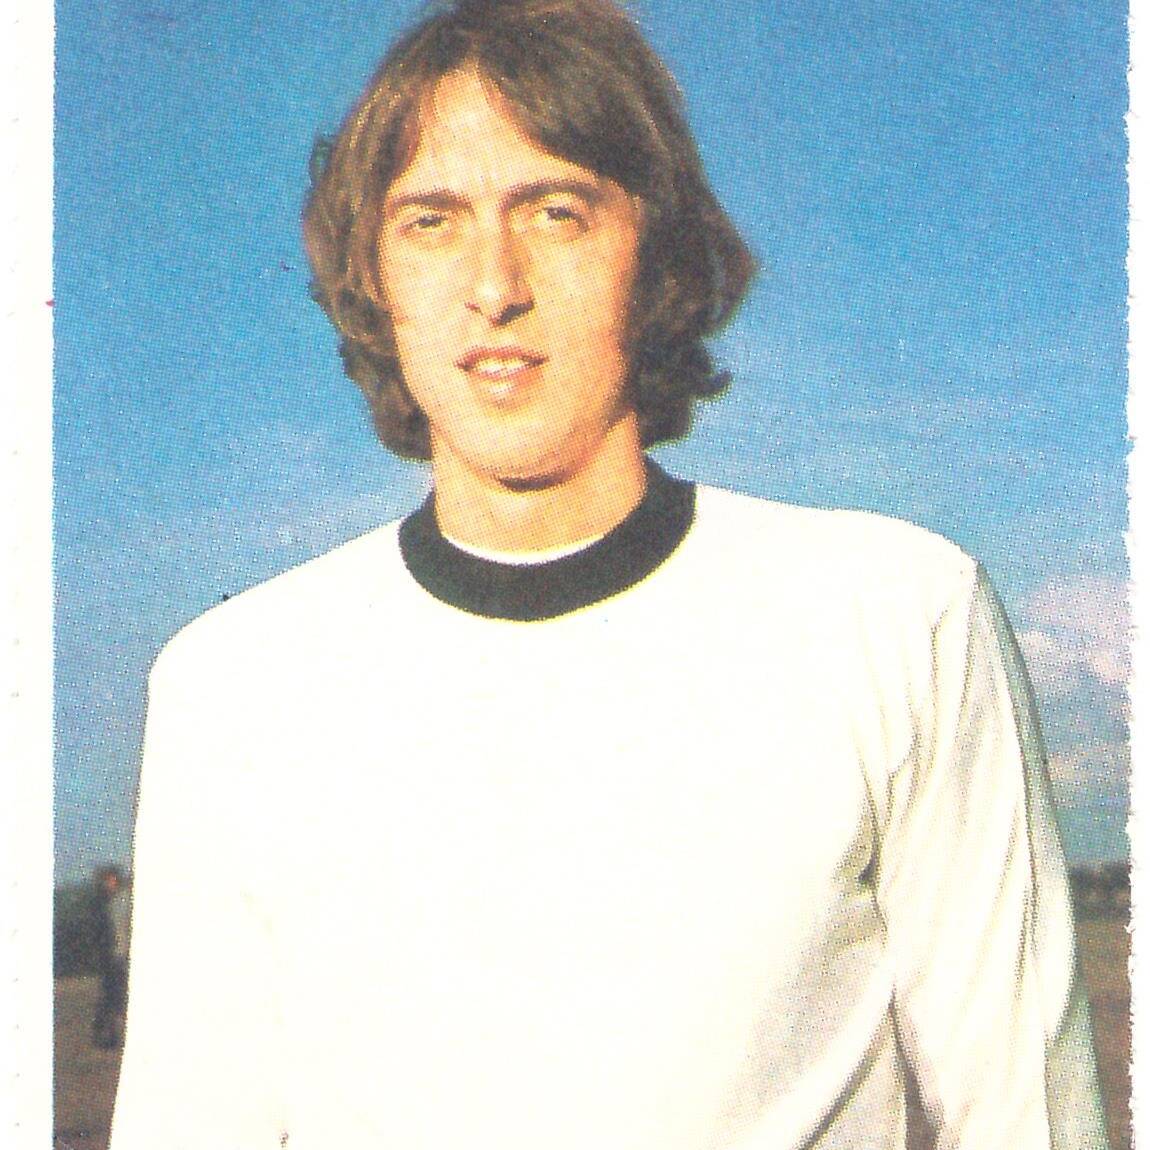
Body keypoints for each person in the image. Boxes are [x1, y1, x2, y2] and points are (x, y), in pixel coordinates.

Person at [110, 1, 1109, 1146]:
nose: (495, 283)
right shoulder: (232, 687)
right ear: (373, 277)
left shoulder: (894, 615)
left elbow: (1027, 1115)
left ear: (657, 256)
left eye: (556, 212)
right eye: (431, 221)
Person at [91, 865, 131, 1051]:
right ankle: (108, 1034)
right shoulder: (108, 903)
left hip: (120, 955)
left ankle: (110, 1035)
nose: (108, 884)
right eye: (106, 881)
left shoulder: (122, 901)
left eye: (111, 880)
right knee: (112, 997)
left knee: (116, 997)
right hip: (113, 957)